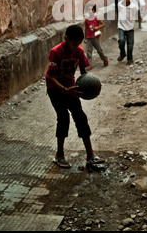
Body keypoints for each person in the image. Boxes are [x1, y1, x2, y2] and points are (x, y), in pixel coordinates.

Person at [45, 24, 105, 168]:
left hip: (71, 88)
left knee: (80, 117)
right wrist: (65, 90)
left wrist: (91, 86)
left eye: (78, 44)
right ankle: (59, 155)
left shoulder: (78, 50)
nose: (75, 47)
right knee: (63, 118)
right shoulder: (56, 52)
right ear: (66, 39)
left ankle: (90, 155)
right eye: (73, 44)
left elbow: (84, 72)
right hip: (56, 89)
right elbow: (50, 77)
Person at [117, 0, 138, 65]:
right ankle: (122, 54)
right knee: (121, 40)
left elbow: (133, 17)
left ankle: (130, 59)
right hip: (121, 26)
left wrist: (131, 26)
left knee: (130, 44)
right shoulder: (119, 5)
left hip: (130, 26)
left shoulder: (133, 7)